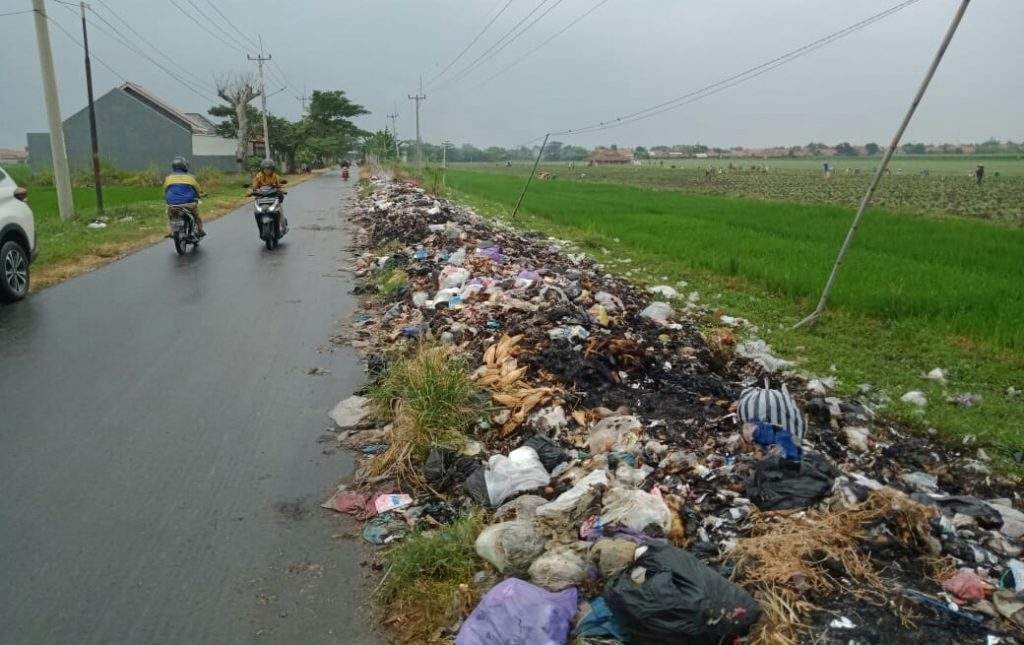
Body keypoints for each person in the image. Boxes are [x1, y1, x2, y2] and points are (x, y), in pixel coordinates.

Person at [163, 156, 205, 236]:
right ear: (185, 166)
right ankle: (200, 230)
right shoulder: (191, 178)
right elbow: (198, 190)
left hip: (172, 204)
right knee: (196, 217)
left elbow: (165, 190)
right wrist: (201, 195)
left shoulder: (168, 178)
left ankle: (171, 231)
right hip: (188, 204)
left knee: (170, 216)